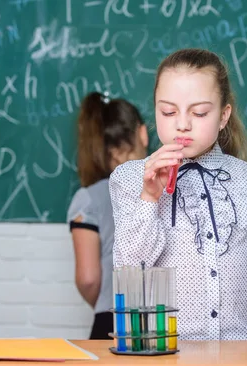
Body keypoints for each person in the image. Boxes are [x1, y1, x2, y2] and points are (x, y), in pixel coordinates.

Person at [108, 48, 247, 340]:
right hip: (164, 356)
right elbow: (129, 269)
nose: (182, 123)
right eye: (168, 111)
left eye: (200, 112)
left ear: (223, 116)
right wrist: (149, 200)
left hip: (242, 355)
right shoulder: (130, 179)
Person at [67, 91, 148, 339]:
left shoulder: (88, 199)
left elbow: (89, 279)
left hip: (111, 321)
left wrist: (105, 303)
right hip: (163, 322)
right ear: (143, 134)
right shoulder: (168, 189)